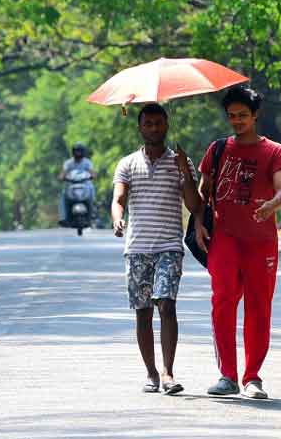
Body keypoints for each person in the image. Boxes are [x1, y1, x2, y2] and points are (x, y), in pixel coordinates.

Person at [194, 86, 281, 399]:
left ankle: (252, 377)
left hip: (261, 241)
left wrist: (271, 206)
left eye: (242, 116)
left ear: (255, 116)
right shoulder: (218, 149)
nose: (236, 121)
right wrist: (198, 219)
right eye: (232, 116)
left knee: (258, 306)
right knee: (222, 300)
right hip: (224, 237)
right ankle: (227, 375)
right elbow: (202, 193)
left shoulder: (274, 151)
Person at [111, 103, 201, 395]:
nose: (154, 128)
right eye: (148, 123)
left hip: (169, 246)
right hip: (137, 248)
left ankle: (168, 373)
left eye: (159, 123)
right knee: (143, 312)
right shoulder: (127, 164)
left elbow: (194, 205)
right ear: (140, 127)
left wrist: (185, 171)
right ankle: (150, 372)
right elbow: (119, 198)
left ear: (167, 125)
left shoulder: (181, 162)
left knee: (167, 304)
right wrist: (117, 218)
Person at [58, 142, 96, 223]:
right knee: (63, 194)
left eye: (79, 151)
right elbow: (63, 173)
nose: (78, 153)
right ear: (73, 152)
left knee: (91, 189)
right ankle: (63, 217)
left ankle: (93, 212)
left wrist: (92, 175)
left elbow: (92, 172)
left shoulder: (87, 162)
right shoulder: (68, 163)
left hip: (85, 184)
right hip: (71, 185)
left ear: (83, 152)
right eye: (76, 151)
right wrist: (62, 177)